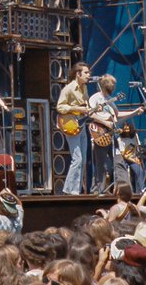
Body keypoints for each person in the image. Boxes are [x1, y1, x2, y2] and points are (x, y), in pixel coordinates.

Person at [87, 75, 140, 194]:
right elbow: (90, 114)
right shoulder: (95, 98)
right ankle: (97, 190)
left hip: (111, 135)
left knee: (119, 161)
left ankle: (124, 189)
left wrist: (135, 112)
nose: (114, 87)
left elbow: (117, 115)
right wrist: (105, 122)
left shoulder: (110, 99)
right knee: (100, 164)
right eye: (113, 85)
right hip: (100, 133)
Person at [56, 62, 92, 195]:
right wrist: (77, 108)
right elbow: (60, 107)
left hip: (81, 125)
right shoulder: (68, 89)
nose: (89, 75)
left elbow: (85, 105)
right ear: (78, 74)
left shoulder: (84, 89)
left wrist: (91, 109)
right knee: (77, 159)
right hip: (70, 124)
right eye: (86, 73)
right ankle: (70, 191)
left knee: (82, 160)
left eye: (89, 73)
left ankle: (73, 190)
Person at [115, 124, 146, 192]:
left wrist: (138, 158)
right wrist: (134, 160)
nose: (126, 131)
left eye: (128, 129)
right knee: (124, 171)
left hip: (134, 158)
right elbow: (123, 155)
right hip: (124, 159)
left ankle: (141, 189)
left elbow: (138, 147)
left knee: (139, 170)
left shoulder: (135, 136)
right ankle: (125, 189)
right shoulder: (120, 139)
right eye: (125, 129)